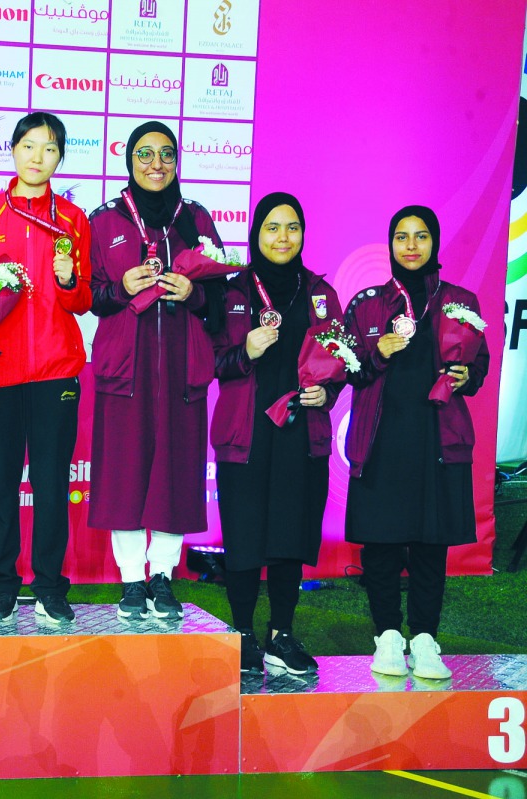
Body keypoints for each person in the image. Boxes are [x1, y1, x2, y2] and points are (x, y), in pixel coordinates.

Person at [87, 120, 225, 621]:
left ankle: (163, 575)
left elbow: (222, 295)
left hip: (181, 365)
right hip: (125, 364)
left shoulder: (196, 219)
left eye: (166, 154)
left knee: (175, 468)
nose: (156, 164)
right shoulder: (103, 220)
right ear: (129, 160)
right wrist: (122, 285)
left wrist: (197, 293)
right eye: (145, 154)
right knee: (125, 472)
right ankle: (130, 581)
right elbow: (91, 298)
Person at [343, 206, 488, 680]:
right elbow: (347, 369)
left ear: (434, 243)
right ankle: (387, 635)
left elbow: (479, 363)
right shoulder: (366, 305)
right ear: (389, 245)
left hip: (437, 440)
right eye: (401, 237)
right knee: (381, 545)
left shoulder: (460, 303)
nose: (410, 245)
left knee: (431, 544)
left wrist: (467, 376)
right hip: (381, 440)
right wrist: (375, 352)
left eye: (420, 236)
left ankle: (425, 638)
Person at [0, 112, 91, 624]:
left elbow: (84, 301)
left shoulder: (73, 220)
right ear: (13, 151)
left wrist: (67, 280)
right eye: (29, 146)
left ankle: (49, 585)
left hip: (56, 372)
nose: (37, 157)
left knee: (49, 483)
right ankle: (1, 582)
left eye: (49, 149)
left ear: (60, 158)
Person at [211, 193, 342, 675]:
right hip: (245, 435)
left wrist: (326, 393)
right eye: (272, 227)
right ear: (256, 233)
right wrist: (244, 349)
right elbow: (210, 361)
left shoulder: (321, 294)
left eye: (292, 228)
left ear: (303, 234)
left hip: (300, 433)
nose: (282, 237)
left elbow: (340, 363)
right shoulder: (231, 292)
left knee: (290, 536)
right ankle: (243, 635)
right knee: (244, 538)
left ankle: (281, 637)